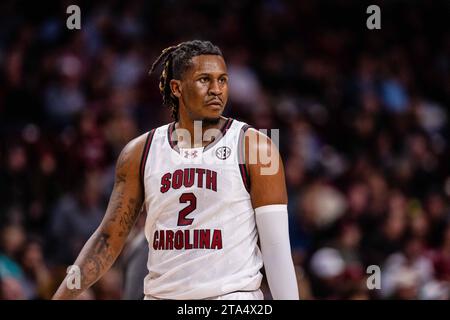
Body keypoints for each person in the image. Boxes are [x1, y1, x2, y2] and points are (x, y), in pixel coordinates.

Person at [52, 40, 299, 300]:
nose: (216, 89)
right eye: (205, 80)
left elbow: (276, 248)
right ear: (176, 87)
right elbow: (107, 238)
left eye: (223, 80)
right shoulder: (139, 152)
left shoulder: (257, 147)